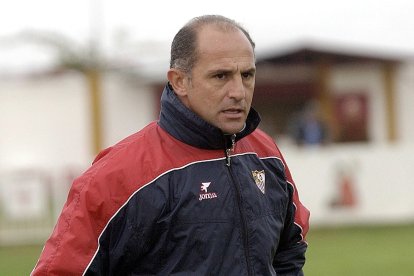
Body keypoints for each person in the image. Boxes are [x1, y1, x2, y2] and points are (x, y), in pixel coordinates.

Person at [32, 15, 310, 275]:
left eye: (247, 75)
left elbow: (290, 250)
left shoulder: (266, 154)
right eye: (220, 76)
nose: (238, 92)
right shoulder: (117, 177)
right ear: (179, 82)